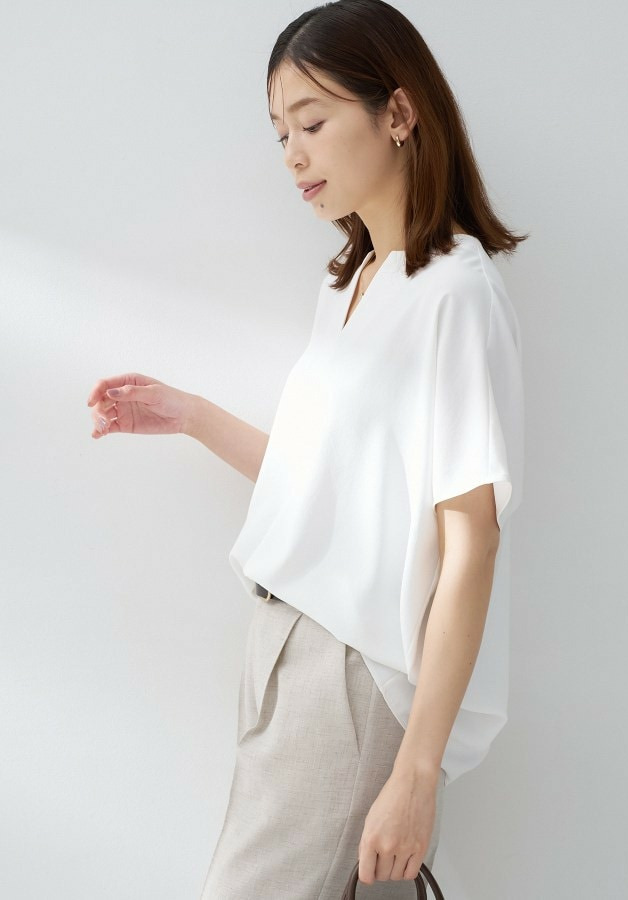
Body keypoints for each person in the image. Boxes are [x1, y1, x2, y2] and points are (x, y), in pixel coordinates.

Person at [86, 1, 528, 896]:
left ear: (398, 113)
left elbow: (471, 543)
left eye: (313, 123)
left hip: (352, 671)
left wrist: (416, 770)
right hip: (285, 642)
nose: (292, 154)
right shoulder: (353, 282)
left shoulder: (454, 293)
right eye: (280, 132)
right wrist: (190, 414)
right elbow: (324, 484)